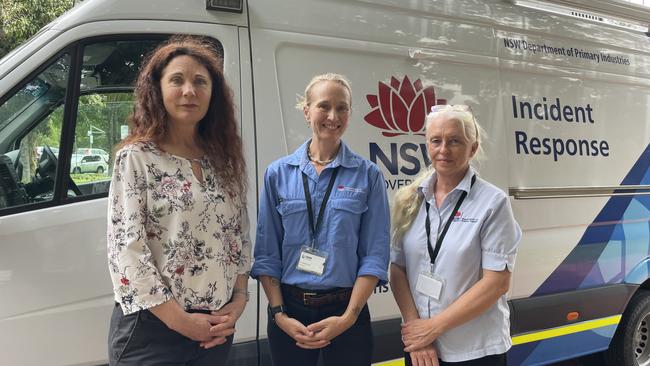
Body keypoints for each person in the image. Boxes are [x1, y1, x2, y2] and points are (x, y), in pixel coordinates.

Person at [106, 36, 250, 366]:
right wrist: (181, 321)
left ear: (213, 94)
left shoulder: (223, 160)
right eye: (177, 80)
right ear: (157, 89)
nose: (189, 91)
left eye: (200, 81)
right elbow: (127, 250)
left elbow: (239, 239)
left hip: (215, 330)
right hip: (153, 330)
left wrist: (239, 302)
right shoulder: (137, 158)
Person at [251, 73, 390, 366]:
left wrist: (347, 318)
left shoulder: (368, 175)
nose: (333, 116)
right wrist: (279, 315)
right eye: (324, 106)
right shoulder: (278, 174)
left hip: (347, 312)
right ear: (307, 111)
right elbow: (267, 252)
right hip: (289, 312)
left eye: (342, 108)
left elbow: (374, 255)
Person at [390, 105, 522, 366]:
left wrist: (433, 328)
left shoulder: (492, 203)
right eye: (436, 141)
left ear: (473, 148)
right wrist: (418, 331)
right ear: (427, 145)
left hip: (474, 349)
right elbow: (397, 268)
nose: (443, 150)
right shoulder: (410, 199)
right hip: (421, 347)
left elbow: (496, 284)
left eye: (454, 141)